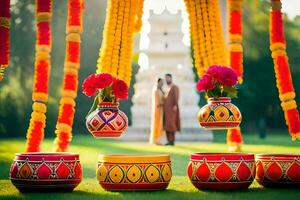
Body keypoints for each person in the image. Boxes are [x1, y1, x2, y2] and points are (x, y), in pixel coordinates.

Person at [163, 74, 180, 145]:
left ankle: (172, 140)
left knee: (172, 125)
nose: (167, 79)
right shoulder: (167, 88)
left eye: (168, 78)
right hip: (167, 110)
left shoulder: (174, 87)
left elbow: (176, 97)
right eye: (166, 78)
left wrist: (175, 106)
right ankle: (168, 140)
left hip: (172, 110)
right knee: (167, 125)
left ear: (171, 78)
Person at [149, 78, 166, 145]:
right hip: (158, 110)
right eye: (161, 82)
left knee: (161, 125)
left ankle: (160, 140)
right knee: (157, 124)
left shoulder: (160, 90)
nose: (162, 84)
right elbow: (157, 102)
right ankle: (156, 140)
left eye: (162, 82)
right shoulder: (156, 90)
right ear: (158, 82)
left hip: (161, 109)